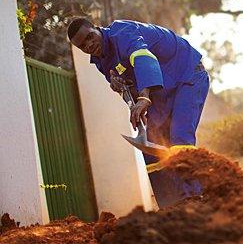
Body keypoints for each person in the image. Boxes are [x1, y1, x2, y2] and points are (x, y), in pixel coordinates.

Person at [67, 18, 208, 208]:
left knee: (179, 139)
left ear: (97, 28)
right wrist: (118, 86)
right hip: (163, 92)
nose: (89, 45)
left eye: (90, 37)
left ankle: (196, 200)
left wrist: (143, 98)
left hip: (187, 76)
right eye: (83, 46)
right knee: (151, 145)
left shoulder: (123, 33)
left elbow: (143, 57)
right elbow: (126, 81)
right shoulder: (100, 60)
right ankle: (171, 206)